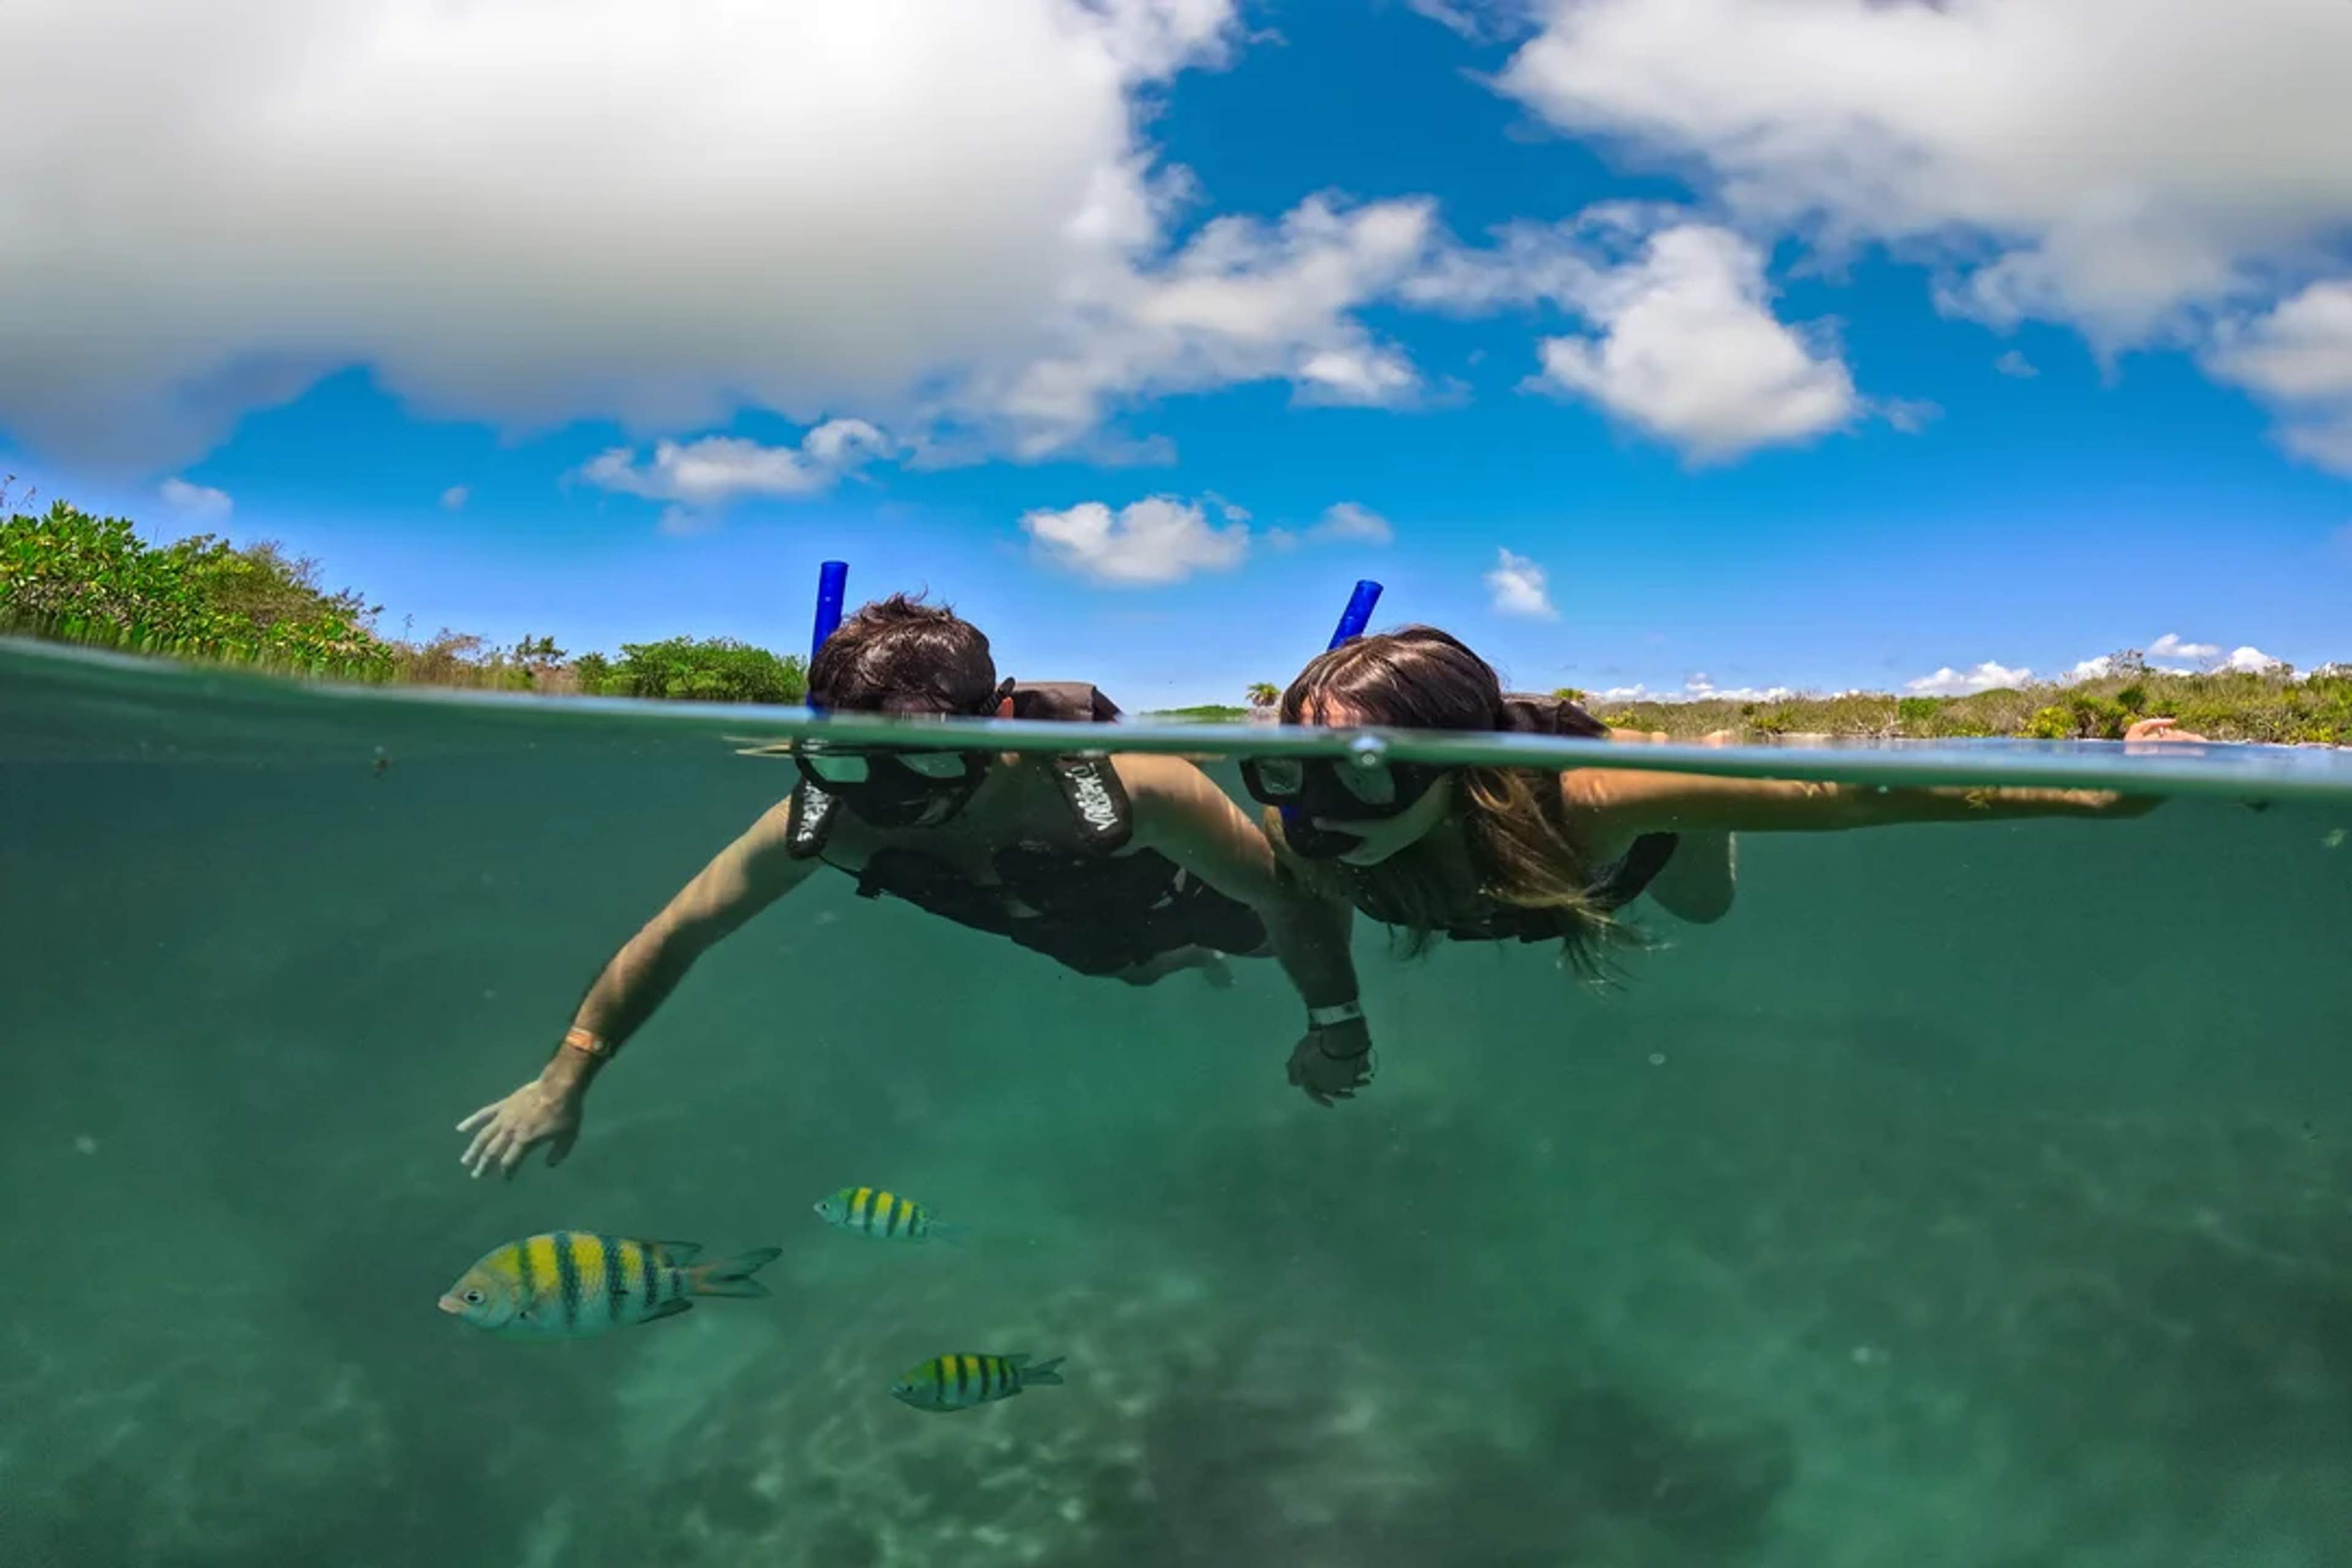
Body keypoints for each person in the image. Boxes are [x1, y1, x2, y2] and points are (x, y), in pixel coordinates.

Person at [458, 595, 1367, 1177]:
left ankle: (1205, 953)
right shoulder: (830, 818)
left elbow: (1287, 904)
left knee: (1258, 932)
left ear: (997, 717)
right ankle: (1181, 964)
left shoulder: (1129, 784)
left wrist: (1335, 1026)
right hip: (1062, 927)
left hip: (1184, 893)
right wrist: (564, 1076)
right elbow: (678, 932)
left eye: (929, 755)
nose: (896, 798)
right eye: (860, 761)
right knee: (1122, 971)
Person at [1242, 627, 2178, 1107]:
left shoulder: (1593, 799)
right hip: (1494, 876)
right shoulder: (1302, 831)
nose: (1317, 815)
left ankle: (1702, 781)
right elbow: (1297, 907)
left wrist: (2098, 791)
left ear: (1462, 762)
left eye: (1363, 778)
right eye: (1295, 775)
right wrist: (1336, 1025)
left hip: (1622, 849)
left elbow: (1850, 796)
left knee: (1705, 909)